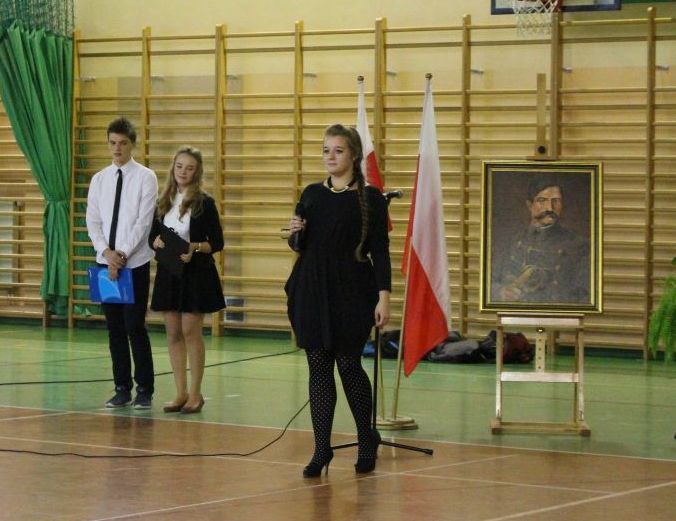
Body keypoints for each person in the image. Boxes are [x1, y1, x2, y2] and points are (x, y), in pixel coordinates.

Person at [285, 124, 392, 477]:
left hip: (352, 291)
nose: (330, 157)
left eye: (338, 150)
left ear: (354, 154)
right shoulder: (312, 194)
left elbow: (380, 252)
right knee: (318, 367)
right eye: (326, 150)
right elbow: (301, 245)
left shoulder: (371, 199)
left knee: (348, 364)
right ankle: (321, 448)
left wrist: (384, 297)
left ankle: (366, 437)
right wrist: (296, 234)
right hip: (311, 289)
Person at [86, 117, 158, 408]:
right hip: (106, 265)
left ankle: (145, 389)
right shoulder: (99, 179)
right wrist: (106, 253)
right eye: (113, 143)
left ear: (132, 144)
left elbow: (143, 222)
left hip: (134, 263)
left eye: (123, 143)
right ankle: (121, 387)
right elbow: (93, 221)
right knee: (114, 327)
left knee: (134, 326)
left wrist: (122, 254)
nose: (117, 148)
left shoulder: (145, 177)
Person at [149, 146, 224, 414]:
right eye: (179, 166)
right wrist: (155, 242)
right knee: (173, 333)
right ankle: (180, 392)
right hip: (170, 272)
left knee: (191, 331)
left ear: (197, 172)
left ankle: (195, 393)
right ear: (173, 168)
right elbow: (152, 236)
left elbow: (217, 242)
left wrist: (195, 247)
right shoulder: (163, 201)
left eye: (189, 168)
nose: (183, 172)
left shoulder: (205, 203)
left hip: (196, 274)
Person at [493, 176, 590, 304]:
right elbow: (488, 282)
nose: (549, 208)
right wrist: (500, 292)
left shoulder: (580, 245)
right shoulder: (511, 240)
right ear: (530, 205)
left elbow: (586, 297)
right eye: (542, 200)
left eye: (556, 201)